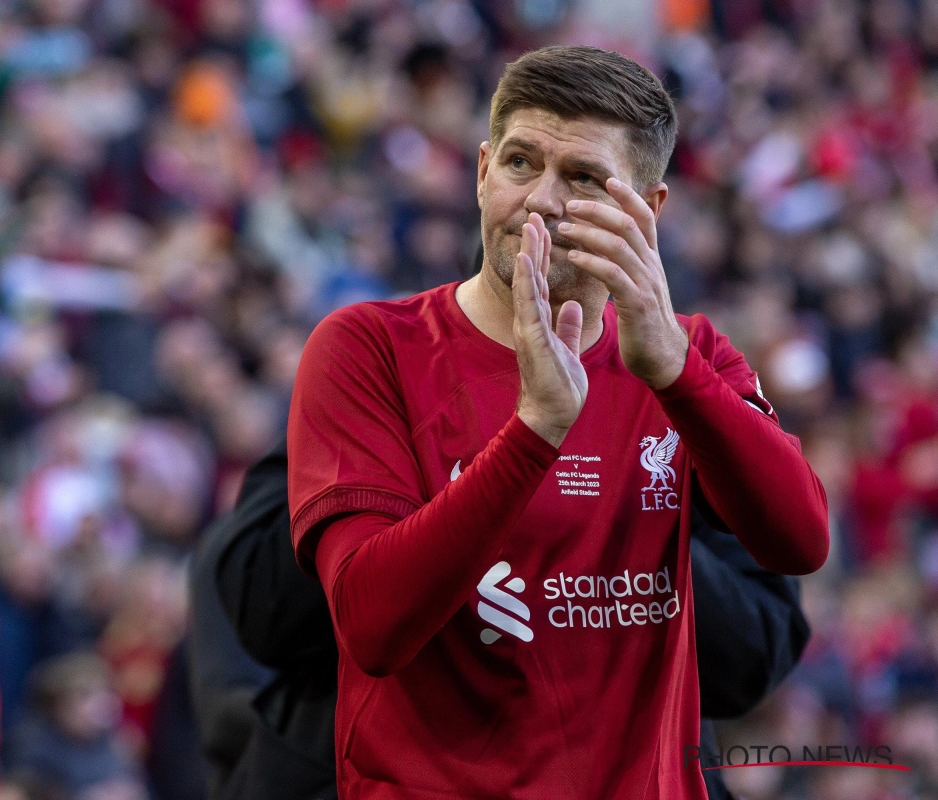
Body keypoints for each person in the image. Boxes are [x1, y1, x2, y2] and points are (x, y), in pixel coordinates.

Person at [285, 46, 828, 798]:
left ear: (648, 209)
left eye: (580, 178)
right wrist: (536, 430)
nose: (539, 200)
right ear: (480, 171)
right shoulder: (367, 348)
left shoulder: (687, 355)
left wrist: (673, 370)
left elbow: (799, 541)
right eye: (518, 163)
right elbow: (372, 628)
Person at [189, 437, 811, 800]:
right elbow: (258, 610)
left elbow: (757, 653)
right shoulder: (374, 399)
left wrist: (607, 511)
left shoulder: (675, 430)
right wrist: (462, 474)